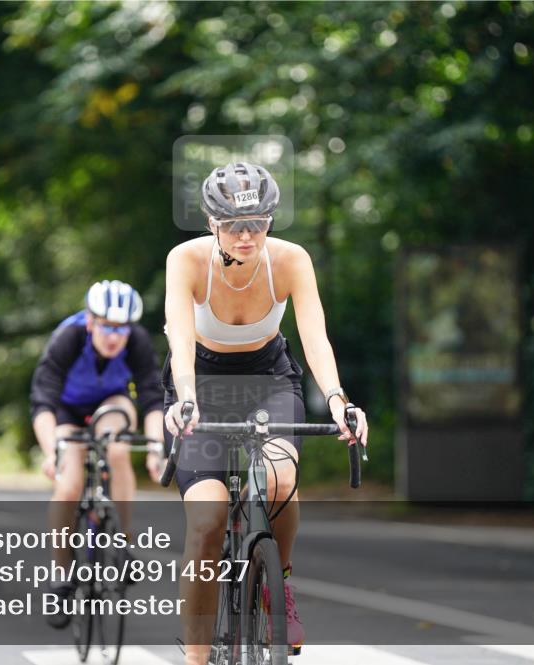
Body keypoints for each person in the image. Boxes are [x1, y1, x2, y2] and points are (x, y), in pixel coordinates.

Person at [163, 162, 368, 663]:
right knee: (207, 521)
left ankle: (280, 581)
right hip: (200, 384)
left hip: (268, 380)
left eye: (257, 223)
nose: (246, 235)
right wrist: (185, 397)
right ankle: (195, 658)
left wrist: (339, 400)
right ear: (211, 223)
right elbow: (180, 337)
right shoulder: (186, 260)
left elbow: (315, 338)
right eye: (234, 225)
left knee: (279, 480)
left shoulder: (291, 259)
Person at [30, 279, 165, 628]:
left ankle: (120, 542)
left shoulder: (136, 341)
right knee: (70, 484)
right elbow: (43, 402)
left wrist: (156, 449)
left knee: (118, 448)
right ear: (90, 321)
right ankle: (61, 576)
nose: (114, 336)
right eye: (106, 326)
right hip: (67, 411)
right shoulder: (68, 338)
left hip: (111, 403)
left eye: (121, 328)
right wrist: (53, 453)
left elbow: (152, 398)